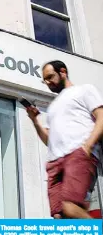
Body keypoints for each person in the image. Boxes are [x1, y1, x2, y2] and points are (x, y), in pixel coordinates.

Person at [26, 60, 103, 219]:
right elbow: (48, 140)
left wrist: (87, 146)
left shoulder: (84, 90)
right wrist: (35, 120)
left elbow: (101, 117)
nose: (48, 82)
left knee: (70, 207)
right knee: (59, 217)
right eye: (44, 80)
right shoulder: (53, 107)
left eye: (50, 77)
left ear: (63, 72)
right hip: (55, 162)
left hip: (77, 154)